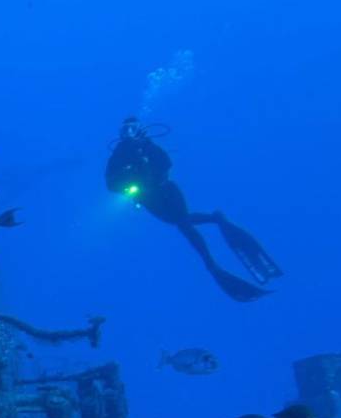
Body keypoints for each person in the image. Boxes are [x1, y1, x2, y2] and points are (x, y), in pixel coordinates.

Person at [105, 117, 281, 302]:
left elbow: (166, 163)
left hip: (166, 189)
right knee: (181, 221)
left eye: (133, 128)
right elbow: (111, 183)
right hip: (148, 197)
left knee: (182, 222)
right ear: (121, 133)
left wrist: (147, 147)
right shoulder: (119, 153)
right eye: (126, 129)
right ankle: (216, 220)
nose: (130, 132)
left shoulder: (148, 146)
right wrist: (129, 183)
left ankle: (209, 262)